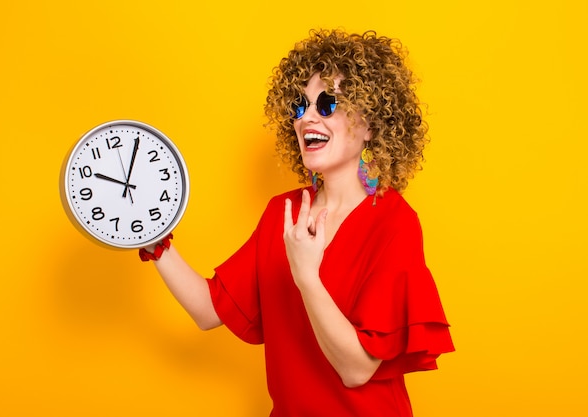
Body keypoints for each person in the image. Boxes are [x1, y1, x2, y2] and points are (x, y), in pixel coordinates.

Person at [140, 29, 454, 417]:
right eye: (298, 105)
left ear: (372, 124)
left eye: (327, 104)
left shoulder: (394, 223)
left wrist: (307, 275)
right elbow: (209, 311)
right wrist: (152, 238)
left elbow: (357, 370)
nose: (306, 117)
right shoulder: (282, 213)